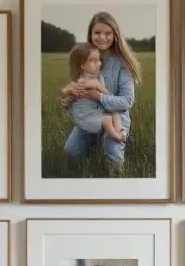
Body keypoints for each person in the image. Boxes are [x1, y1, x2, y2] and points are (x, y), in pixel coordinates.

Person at [59, 12, 141, 169]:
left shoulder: (122, 64)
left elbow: (127, 101)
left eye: (108, 33)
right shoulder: (83, 58)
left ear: (115, 35)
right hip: (90, 116)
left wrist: (98, 96)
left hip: (116, 117)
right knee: (71, 151)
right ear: (91, 34)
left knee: (112, 155)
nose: (102, 37)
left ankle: (115, 176)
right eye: (97, 32)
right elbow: (76, 92)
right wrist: (69, 98)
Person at [63, 42, 127, 144]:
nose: (99, 63)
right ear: (82, 65)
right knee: (107, 120)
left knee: (115, 114)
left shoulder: (98, 78)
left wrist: (99, 88)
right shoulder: (78, 82)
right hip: (85, 115)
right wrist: (71, 95)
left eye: (99, 60)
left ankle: (120, 131)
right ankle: (116, 136)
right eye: (94, 61)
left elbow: (108, 95)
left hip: (97, 111)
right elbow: (66, 101)